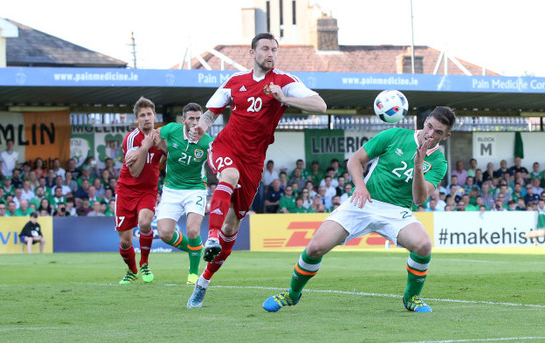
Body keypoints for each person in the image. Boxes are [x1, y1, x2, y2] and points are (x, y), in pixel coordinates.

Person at [263, 106, 456, 313]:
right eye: (429, 127)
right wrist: (361, 187)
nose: (430, 134)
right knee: (315, 247)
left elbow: (419, 198)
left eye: (438, 132)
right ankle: (292, 294)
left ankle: (412, 298)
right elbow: (355, 160)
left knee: (424, 245)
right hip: (363, 202)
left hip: (397, 210)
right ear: (425, 122)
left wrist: (418, 165)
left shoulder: (438, 162)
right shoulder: (394, 135)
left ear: (446, 136)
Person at [186, 32, 326, 308]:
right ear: (252, 53)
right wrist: (201, 127)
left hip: (254, 161)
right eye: (265, 49)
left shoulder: (285, 82)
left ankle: (203, 282)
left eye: (274, 49)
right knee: (229, 176)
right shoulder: (234, 82)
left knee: (232, 226)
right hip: (226, 148)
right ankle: (210, 236)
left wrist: (285, 98)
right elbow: (210, 113)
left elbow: (320, 106)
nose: (270, 53)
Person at [155, 102, 213, 285]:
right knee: (164, 233)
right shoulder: (172, 129)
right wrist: (165, 148)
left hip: (195, 188)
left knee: (193, 230)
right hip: (171, 188)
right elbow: (156, 134)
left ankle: (194, 273)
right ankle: (193, 249)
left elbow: (218, 158)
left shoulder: (207, 141)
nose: (196, 122)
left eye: (198, 118)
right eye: (192, 118)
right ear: (183, 120)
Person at [114, 96, 165, 285]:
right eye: (142, 115)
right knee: (125, 242)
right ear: (137, 118)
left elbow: (173, 156)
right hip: (126, 191)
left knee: (145, 223)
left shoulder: (161, 136)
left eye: (149, 114)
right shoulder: (131, 139)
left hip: (148, 191)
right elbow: (134, 172)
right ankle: (132, 270)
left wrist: (163, 145)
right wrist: (145, 147)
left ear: (154, 115)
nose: (146, 118)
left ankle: (144, 262)